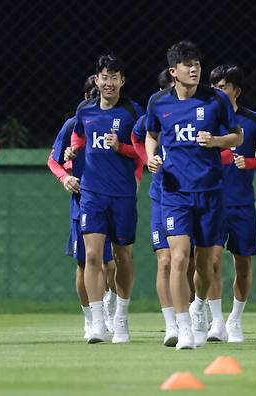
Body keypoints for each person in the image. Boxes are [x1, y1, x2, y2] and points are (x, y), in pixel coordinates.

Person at [145, 41, 242, 350]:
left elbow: (237, 136)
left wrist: (216, 140)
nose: (195, 69)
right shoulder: (158, 103)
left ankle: (206, 311)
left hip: (211, 191)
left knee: (208, 263)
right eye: (187, 65)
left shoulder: (216, 100)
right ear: (174, 71)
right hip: (175, 193)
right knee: (177, 257)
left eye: (197, 63)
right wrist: (151, 157)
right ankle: (183, 328)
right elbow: (150, 134)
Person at [69, 54, 143, 344]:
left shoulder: (133, 112)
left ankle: (121, 318)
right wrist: (74, 151)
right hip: (91, 193)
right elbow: (78, 137)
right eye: (104, 76)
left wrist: (122, 147)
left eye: (115, 77)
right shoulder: (85, 110)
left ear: (122, 81)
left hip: (123, 194)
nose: (109, 82)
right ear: (96, 80)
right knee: (91, 256)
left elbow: (143, 151)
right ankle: (98, 323)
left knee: (123, 257)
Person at [206, 64, 256, 343]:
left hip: (242, 203)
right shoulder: (204, 119)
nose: (217, 91)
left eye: (223, 86)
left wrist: (251, 162)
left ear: (237, 90)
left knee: (243, 264)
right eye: (214, 87)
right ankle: (216, 321)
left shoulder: (253, 120)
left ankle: (235, 319)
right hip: (211, 200)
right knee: (213, 261)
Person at [47, 75, 117, 341]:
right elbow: (53, 160)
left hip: (112, 197)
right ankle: (90, 317)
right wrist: (66, 176)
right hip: (83, 202)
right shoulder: (73, 124)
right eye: (91, 95)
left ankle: (109, 304)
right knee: (85, 261)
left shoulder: (115, 121)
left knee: (112, 263)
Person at [131, 68, 180, 347]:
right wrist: (147, 158)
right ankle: (171, 323)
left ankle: (193, 313)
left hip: (188, 192)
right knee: (165, 260)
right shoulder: (152, 114)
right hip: (161, 195)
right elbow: (138, 139)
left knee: (187, 260)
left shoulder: (197, 109)